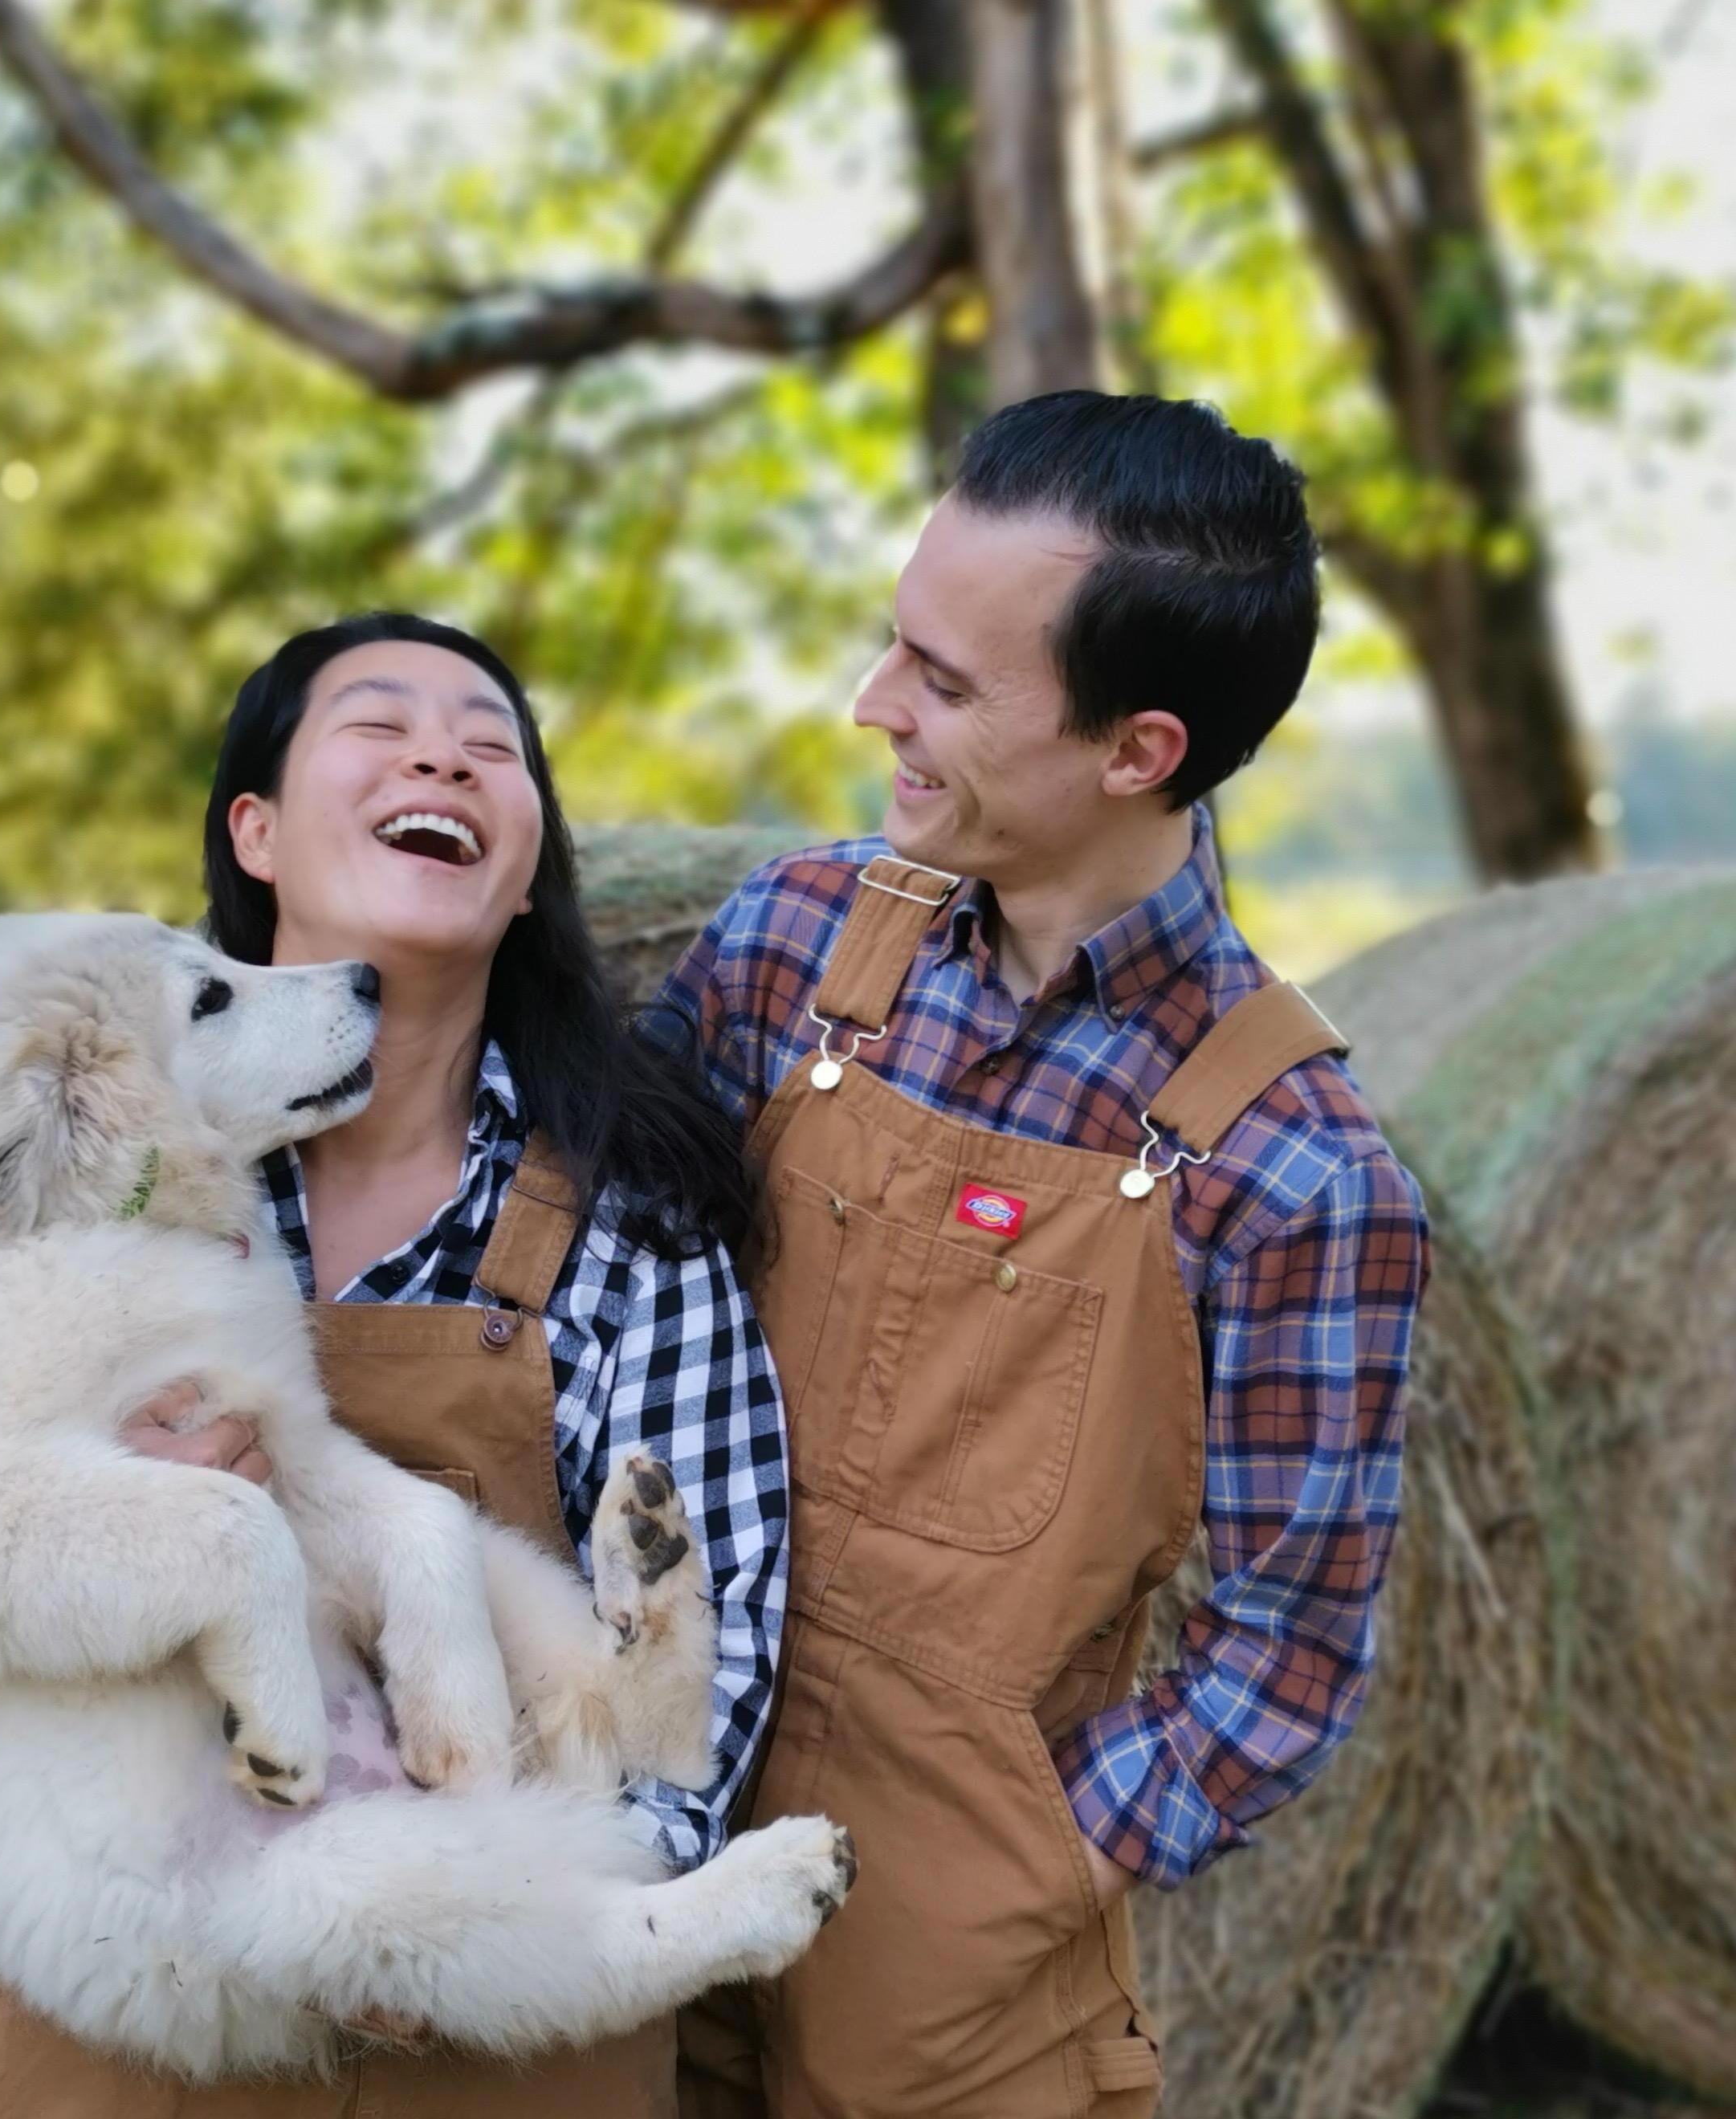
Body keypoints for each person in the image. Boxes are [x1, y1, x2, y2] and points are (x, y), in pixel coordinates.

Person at [0, 611, 790, 2119]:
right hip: (117, 1993)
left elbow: (721, 1697)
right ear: (253, 828)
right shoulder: (81, 1130)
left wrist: (526, 1904)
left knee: (498, 1590)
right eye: (380, 722)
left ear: (530, 871)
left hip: (485, 2020)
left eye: (493, 741)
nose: (443, 750)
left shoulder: (627, 1223)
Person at [650, 391, 1430, 2118]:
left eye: (943, 681)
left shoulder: (1294, 1169)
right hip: (639, 1848)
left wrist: (1039, 1854)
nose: (875, 709)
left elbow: (1292, 1646)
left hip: (958, 1995)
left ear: (1136, 750)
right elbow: (594, 1282)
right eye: (894, 648)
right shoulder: (791, 945)